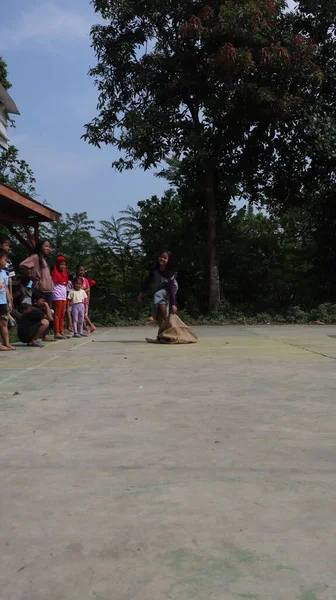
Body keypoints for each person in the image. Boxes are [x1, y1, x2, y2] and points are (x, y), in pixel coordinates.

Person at [19, 239, 55, 341]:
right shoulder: (35, 257)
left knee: (48, 312)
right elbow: (22, 265)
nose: (48, 248)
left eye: (49, 246)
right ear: (40, 246)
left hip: (48, 290)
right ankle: (42, 334)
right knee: (41, 313)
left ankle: (45, 334)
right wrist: (32, 275)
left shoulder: (44, 259)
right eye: (46, 246)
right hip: (40, 290)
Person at [137, 250, 178, 328]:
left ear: (168, 260)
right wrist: (141, 292)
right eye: (161, 257)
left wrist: (173, 304)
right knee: (160, 310)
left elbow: (171, 289)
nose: (162, 259)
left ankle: (154, 316)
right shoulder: (155, 269)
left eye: (165, 258)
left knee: (157, 295)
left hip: (171, 288)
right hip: (161, 288)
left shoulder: (169, 273)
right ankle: (161, 332)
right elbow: (148, 280)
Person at [0, 249, 16, 351]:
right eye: (4, 259)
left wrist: (9, 301)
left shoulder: (4, 273)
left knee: (4, 323)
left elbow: (5, 288)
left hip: (3, 302)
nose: (6, 262)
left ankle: (7, 343)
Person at [52, 256, 70, 339]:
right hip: (57, 295)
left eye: (64, 264)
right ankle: (56, 332)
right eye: (61, 264)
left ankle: (61, 330)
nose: (63, 266)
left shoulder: (65, 273)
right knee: (57, 314)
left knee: (63, 314)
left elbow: (65, 284)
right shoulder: (55, 273)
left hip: (63, 295)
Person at [75, 265, 96, 333]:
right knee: (79, 314)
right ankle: (84, 328)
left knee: (83, 314)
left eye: (83, 270)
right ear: (77, 271)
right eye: (80, 270)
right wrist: (83, 289)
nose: (81, 272)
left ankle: (90, 326)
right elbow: (76, 289)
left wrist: (87, 299)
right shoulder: (75, 279)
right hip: (77, 299)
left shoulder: (85, 280)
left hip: (84, 300)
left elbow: (88, 289)